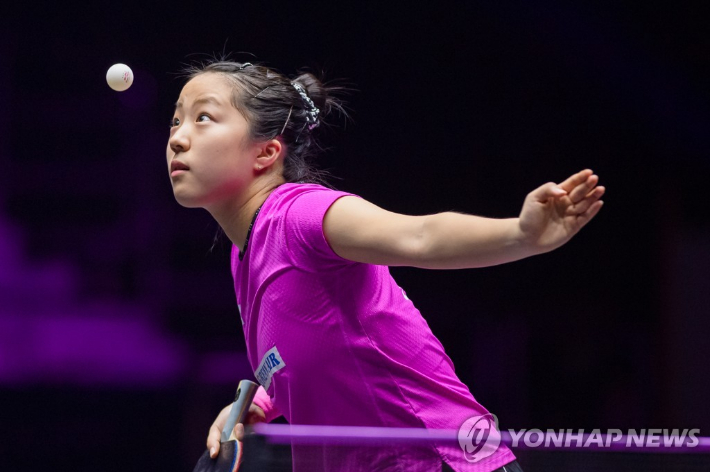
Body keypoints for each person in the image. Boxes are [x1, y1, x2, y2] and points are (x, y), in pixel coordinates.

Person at [166, 60, 605, 472]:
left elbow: (419, 236)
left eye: (203, 118)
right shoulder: (245, 253)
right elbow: (310, 352)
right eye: (176, 120)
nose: (178, 137)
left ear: (266, 152)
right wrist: (259, 403)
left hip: (439, 462)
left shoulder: (302, 215)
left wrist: (521, 235)